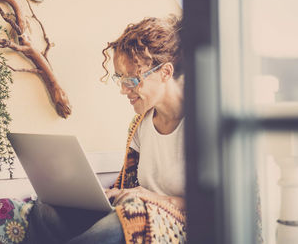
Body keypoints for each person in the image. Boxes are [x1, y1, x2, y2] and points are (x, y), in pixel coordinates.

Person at [27, 14, 186, 244]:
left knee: (122, 226)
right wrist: (104, 195)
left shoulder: (202, 123)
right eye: (119, 78)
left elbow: (216, 205)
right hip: (134, 212)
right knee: (45, 209)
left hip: (176, 225)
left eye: (132, 79)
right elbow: (127, 186)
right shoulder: (141, 124)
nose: (123, 89)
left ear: (166, 72)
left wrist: (154, 198)